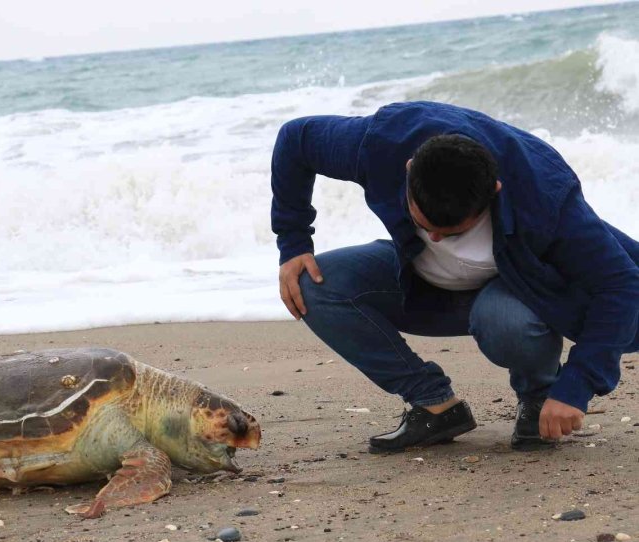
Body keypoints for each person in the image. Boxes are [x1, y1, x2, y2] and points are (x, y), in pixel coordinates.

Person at [270, 101, 639, 453]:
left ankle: (539, 395)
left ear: (494, 191)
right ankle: (434, 406)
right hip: (421, 284)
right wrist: (294, 242)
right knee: (312, 283)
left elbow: (621, 284)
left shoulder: (543, 194)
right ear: (409, 168)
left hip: (516, 295)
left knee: (505, 320)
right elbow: (295, 139)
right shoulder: (380, 143)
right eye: (424, 223)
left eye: (453, 233)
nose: (434, 239)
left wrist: (576, 386)